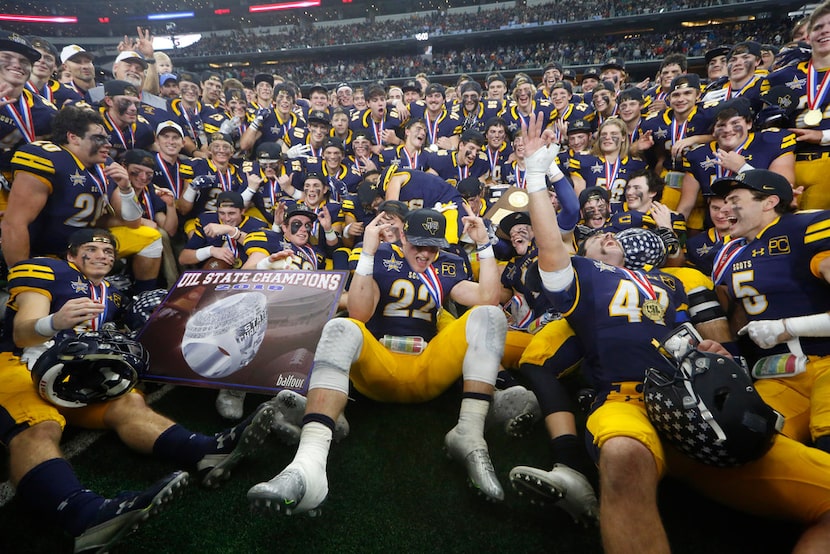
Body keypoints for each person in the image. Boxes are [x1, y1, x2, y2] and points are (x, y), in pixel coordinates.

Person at [520, 112, 830, 554]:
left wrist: (716, 353)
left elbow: (702, 328)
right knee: (624, 461)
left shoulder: (673, 280)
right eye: (600, 239)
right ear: (584, 249)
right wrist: (537, 177)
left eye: (615, 239)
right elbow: (553, 246)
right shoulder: (582, 274)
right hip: (628, 397)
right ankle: (569, 451)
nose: (610, 240)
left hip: (703, 397)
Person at [1, 227, 274, 553]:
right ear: (71, 254)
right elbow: (21, 332)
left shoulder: (114, 294)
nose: (103, 255)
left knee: (129, 402)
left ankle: (205, 452)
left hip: (76, 377)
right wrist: (53, 322)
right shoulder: (48, 269)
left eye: (109, 252)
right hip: (19, 364)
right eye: (93, 248)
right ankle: (83, 516)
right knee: (38, 429)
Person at [248, 206, 509, 514]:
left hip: (426, 367)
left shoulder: (449, 265)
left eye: (432, 246)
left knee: (491, 316)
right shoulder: (382, 256)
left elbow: (488, 299)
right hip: (379, 365)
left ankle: (469, 433)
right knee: (342, 326)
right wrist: (368, 253)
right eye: (417, 244)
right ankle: (308, 464)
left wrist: (484, 245)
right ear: (402, 236)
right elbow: (359, 312)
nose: (424, 254)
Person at [4, 105, 163, 294]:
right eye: (99, 138)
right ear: (73, 138)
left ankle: (141, 297)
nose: (108, 144)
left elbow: (133, 222)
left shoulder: (106, 165)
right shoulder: (47, 157)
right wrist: (21, 273)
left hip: (86, 244)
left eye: (107, 138)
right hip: (46, 249)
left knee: (150, 237)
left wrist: (126, 188)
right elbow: (14, 223)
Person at [679, 97, 796, 231]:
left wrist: (742, 168)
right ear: (713, 130)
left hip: (763, 227)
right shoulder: (698, 155)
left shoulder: (770, 142)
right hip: (719, 229)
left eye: (735, 123)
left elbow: (784, 192)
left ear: (749, 124)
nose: (728, 129)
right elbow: (685, 207)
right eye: (721, 125)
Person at [762, 1, 830, 209]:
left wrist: (824, 136)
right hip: (790, 163)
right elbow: (766, 125)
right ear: (808, 36)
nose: (825, 31)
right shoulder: (781, 77)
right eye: (818, 27)